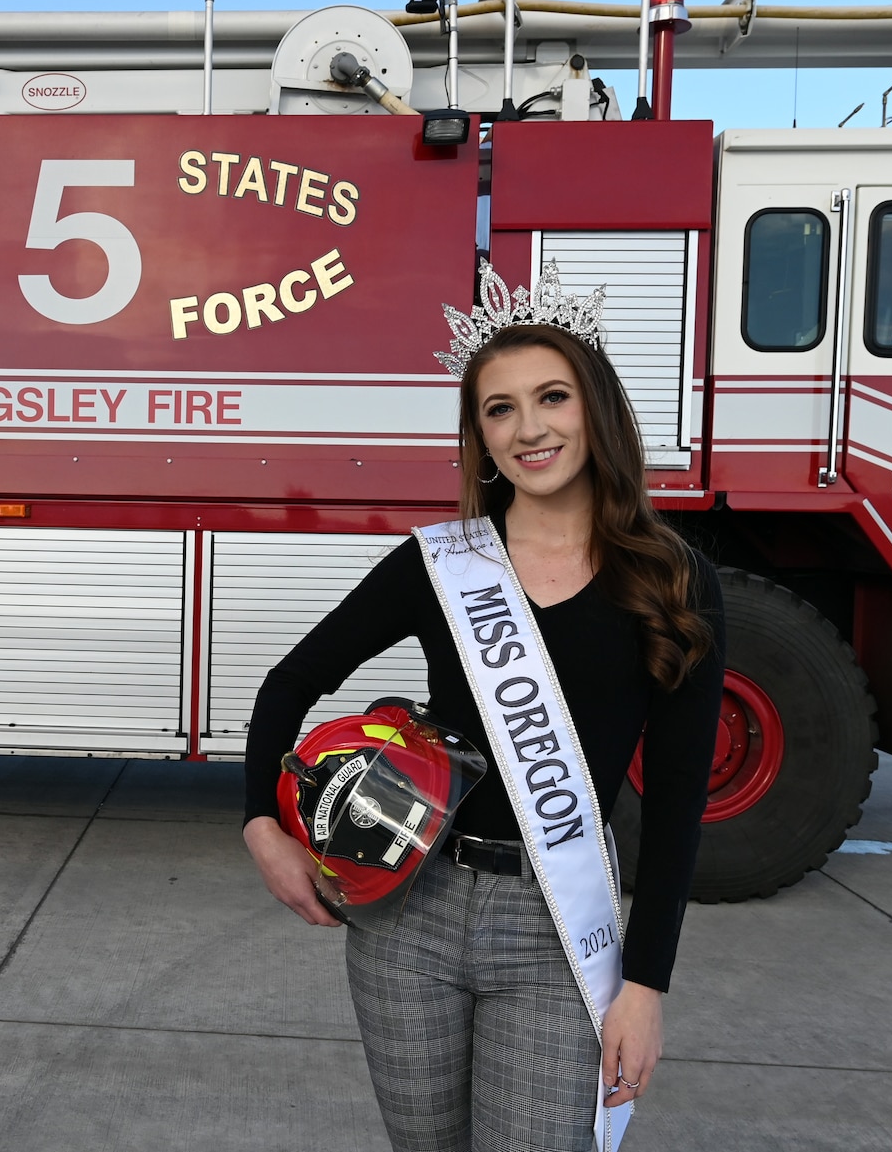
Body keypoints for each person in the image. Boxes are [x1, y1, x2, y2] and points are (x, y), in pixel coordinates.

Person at [241, 271, 725, 1152]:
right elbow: (288, 683)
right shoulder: (442, 563)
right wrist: (260, 829)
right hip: (408, 912)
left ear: (597, 410)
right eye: (500, 410)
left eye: (551, 397)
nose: (530, 427)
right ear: (481, 438)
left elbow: (681, 803)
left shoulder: (671, 578)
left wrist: (646, 985)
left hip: (555, 928)